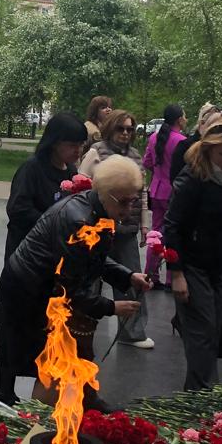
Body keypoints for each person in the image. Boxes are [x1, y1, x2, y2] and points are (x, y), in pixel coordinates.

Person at [0, 156, 153, 407]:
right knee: (47, 356)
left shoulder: (99, 209)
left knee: (64, 347)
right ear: (106, 194)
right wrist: (111, 307)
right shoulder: (78, 220)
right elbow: (68, 291)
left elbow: (95, 257)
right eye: (124, 202)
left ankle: (83, 397)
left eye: (133, 201)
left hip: (47, 281)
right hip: (29, 286)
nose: (128, 209)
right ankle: (35, 414)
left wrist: (127, 276)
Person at [163, 118, 222, 390]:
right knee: (202, 333)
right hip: (193, 263)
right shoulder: (193, 178)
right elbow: (172, 226)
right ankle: (202, 394)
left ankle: (202, 390)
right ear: (208, 151)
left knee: (215, 330)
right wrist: (177, 274)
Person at [80, 109, 153, 349]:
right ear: (110, 128)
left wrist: (144, 224)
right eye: (121, 128)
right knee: (90, 280)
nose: (125, 133)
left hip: (127, 228)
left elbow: (142, 193)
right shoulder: (96, 152)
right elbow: (80, 186)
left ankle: (132, 332)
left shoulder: (135, 156)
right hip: (98, 227)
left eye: (130, 129)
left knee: (132, 278)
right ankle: (81, 328)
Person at [4, 111, 88, 262]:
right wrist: (54, 224)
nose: (78, 151)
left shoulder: (71, 171)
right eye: (72, 145)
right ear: (55, 143)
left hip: (55, 253)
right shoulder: (32, 169)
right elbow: (18, 210)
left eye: (81, 145)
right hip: (27, 252)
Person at [142, 103, 186, 288]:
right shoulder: (181, 141)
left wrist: (158, 173)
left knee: (156, 234)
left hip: (156, 190)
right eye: (184, 116)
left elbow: (147, 162)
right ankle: (170, 278)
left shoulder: (154, 137)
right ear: (179, 120)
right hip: (173, 192)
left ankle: (150, 274)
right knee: (174, 233)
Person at [169, 102, 222, 183]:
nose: (217, 130)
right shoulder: (185, 146)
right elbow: (176, 180)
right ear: (201, 124)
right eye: (212, 125)